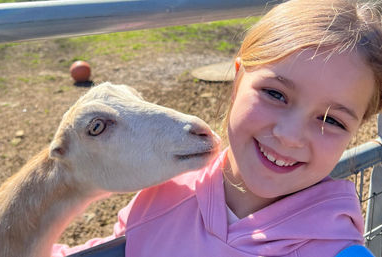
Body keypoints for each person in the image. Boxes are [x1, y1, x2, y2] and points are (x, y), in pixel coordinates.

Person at [52, 0, 382, 256]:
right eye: (275, 94)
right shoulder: (163, 191)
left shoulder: (337, 252)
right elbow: (119, 246)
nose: (289, 136)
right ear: (238, 79)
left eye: (331, 120)